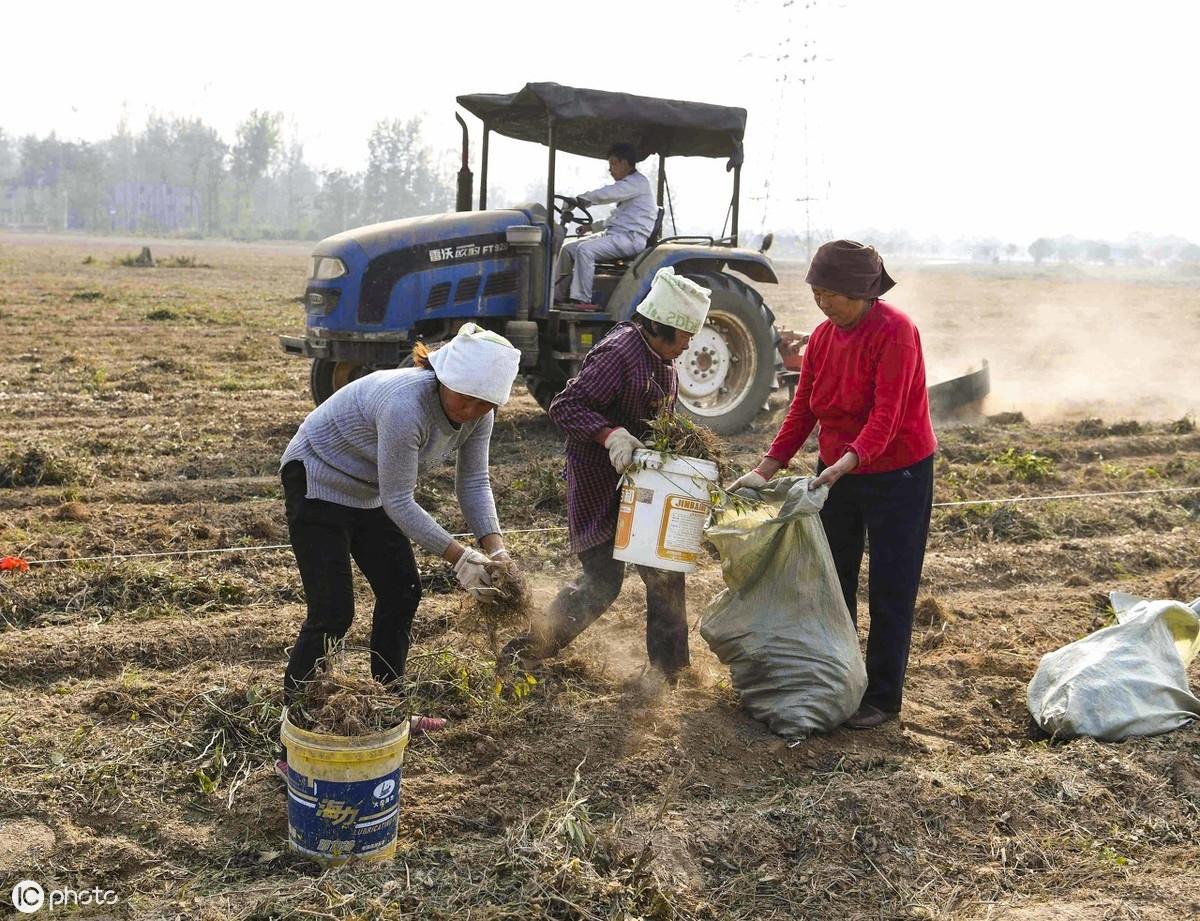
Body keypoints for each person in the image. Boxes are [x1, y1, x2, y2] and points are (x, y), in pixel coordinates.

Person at [278, 323, 525, 734]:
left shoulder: (480, 415)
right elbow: (399, 502)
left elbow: (474, 483)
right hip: (317, 480)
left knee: (402, 591)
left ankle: (387, 707)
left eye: (482, 405)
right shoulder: (405, 405)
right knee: (333, 613)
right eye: (464, 399)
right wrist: (461, 557)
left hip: (369, 491)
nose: (469, 412)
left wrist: (497, 553)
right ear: (444, 377)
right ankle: (296, 733)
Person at [730, 240, 937, 730]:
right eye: (817, 293)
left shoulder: (896, 332)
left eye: (832, 294)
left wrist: (849, 460)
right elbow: (803, 408)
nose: (824, 303)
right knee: (833, 579)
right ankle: (840, 678)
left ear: (863, 291)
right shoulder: (823, 339)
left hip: (897, 472)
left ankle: (884, 698)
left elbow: (887, 414)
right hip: (836, 471)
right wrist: (767, 467)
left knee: (891, 586)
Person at [503, 267, 711, 682]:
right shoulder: (620, 352)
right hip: (600, 483)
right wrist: (611, 434)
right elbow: (566, 406)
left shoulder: (664, 363)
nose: (689, 346)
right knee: (602, 581)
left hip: (643, 485)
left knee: (664, 570)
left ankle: (668, 671)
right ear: (664, 326)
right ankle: (525, 652)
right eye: (686, 335)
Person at [554, 142, 658, 308]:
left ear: (625, 163)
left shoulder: (637, 183)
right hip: (615, 234)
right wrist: (591, 227)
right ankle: (557, 297)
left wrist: (582, 200)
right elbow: (616, 219)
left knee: (585, 250)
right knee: (568, 250)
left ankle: (581, 299)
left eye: (613, 164)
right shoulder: (629, 188)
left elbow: (606, 194)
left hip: (630, 238)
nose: (610, 169)